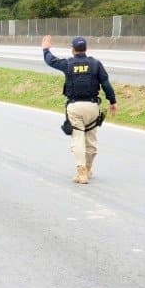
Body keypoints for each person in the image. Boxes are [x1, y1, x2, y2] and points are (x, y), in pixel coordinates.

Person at [42, 34, 117, 183]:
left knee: (78, 139)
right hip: (92, 107)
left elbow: (51, 61)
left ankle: (81, 172)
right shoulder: (96, 64)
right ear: (86, 49)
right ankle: (88, 169)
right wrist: (112, 101)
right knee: (90, 140)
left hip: (75, 107)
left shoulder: (68, 64)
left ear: (73, 50)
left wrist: (45, 49)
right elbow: (106, 84)